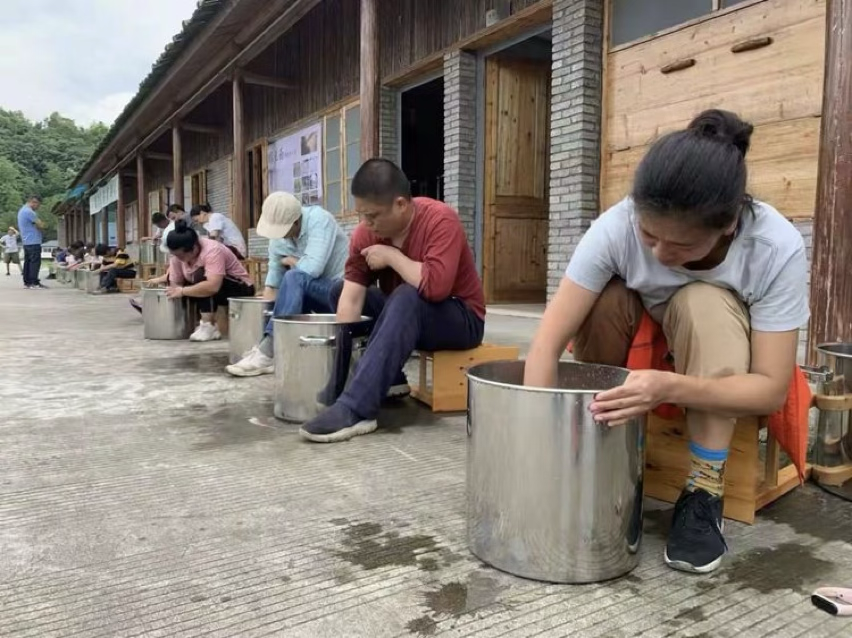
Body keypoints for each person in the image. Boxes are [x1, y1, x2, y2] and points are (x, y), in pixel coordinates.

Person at [523, 110, 809, 575]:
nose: (659, 254)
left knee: (703, 301)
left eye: (680, 247)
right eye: (649, 235)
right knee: (605, 298)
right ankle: (591, 447)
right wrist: (540, 446)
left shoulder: (774, 248)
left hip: (718, 341)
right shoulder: (615, 226)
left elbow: (770, 388)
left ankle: (703, 488)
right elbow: (546, 344)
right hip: (641, 329)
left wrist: (670, 386)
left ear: (729, 224)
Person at [299, 159, 485, 443]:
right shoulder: (365, 234)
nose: (367, 224)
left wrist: (391, 257)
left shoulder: (440, 220)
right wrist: (336, 377)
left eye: (373, 216)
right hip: (405, 314)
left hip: (460, 317)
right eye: (362, 215)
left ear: (401, 204)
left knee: (407, 296)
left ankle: (357, 409)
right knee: (340, 291)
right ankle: (385, 379)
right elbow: (351, 297)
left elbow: (435, 288)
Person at [226, 192, 348, 377]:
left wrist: (292, 260)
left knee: (293, 277)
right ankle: (267, 349)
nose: (279, 237)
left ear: (296, 222)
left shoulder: (320, 220)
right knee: (287, 283)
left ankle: (269, 352)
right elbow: (274, 279)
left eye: (282, 231)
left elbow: (312, 269)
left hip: (340, 294)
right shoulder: (279, 238)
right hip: (311, 294)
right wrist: (266, 313)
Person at [147, 220, 255, 342]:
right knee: (190, 283)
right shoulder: (177, 257)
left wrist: (182, 291)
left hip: (238, 288)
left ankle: (208, 325)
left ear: (193, 248)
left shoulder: (212, 250)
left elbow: (212, 286)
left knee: (202, 279)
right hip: (213, 288)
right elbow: (175, 284)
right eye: (175, 255)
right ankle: (201, 324)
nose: (179, 259)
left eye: (181, 256)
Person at [17, 195, 47, 289]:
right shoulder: (29, 212)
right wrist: (42, 225)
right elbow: (40, 225)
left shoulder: (22, 210)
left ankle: (27, 282)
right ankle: (34, 282)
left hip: (26, 241)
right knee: (35, 262)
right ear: (33, 202)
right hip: (33, 240)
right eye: (38, 204)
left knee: (28, 262)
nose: (38, 207)